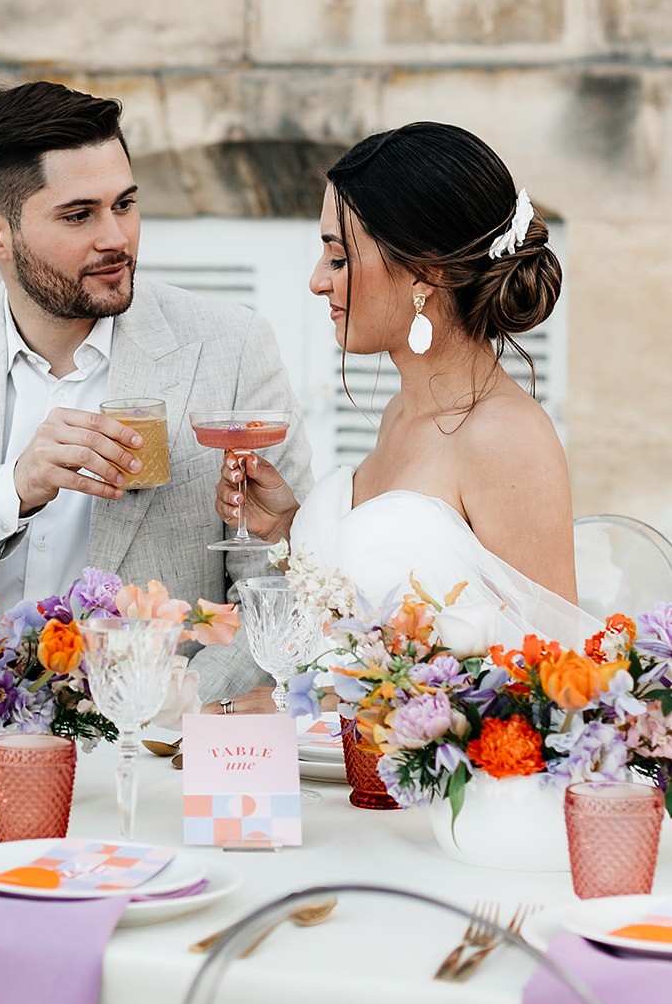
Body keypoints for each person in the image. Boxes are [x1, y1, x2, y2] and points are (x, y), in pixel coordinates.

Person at [0, 80, 313, 706]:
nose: (117, 238)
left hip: (155, 752)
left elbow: (281, 590)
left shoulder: (230, 346)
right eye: (79, 215)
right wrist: (10, 492)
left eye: (125, 205)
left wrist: (161, 714)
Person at [216, 121, 591, 652]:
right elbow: (373, 609)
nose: (317, 279)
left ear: (424, 274)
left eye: (340, 258)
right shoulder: (401, 412)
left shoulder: (505, 436)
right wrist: (285, 525)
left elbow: (552, 672)